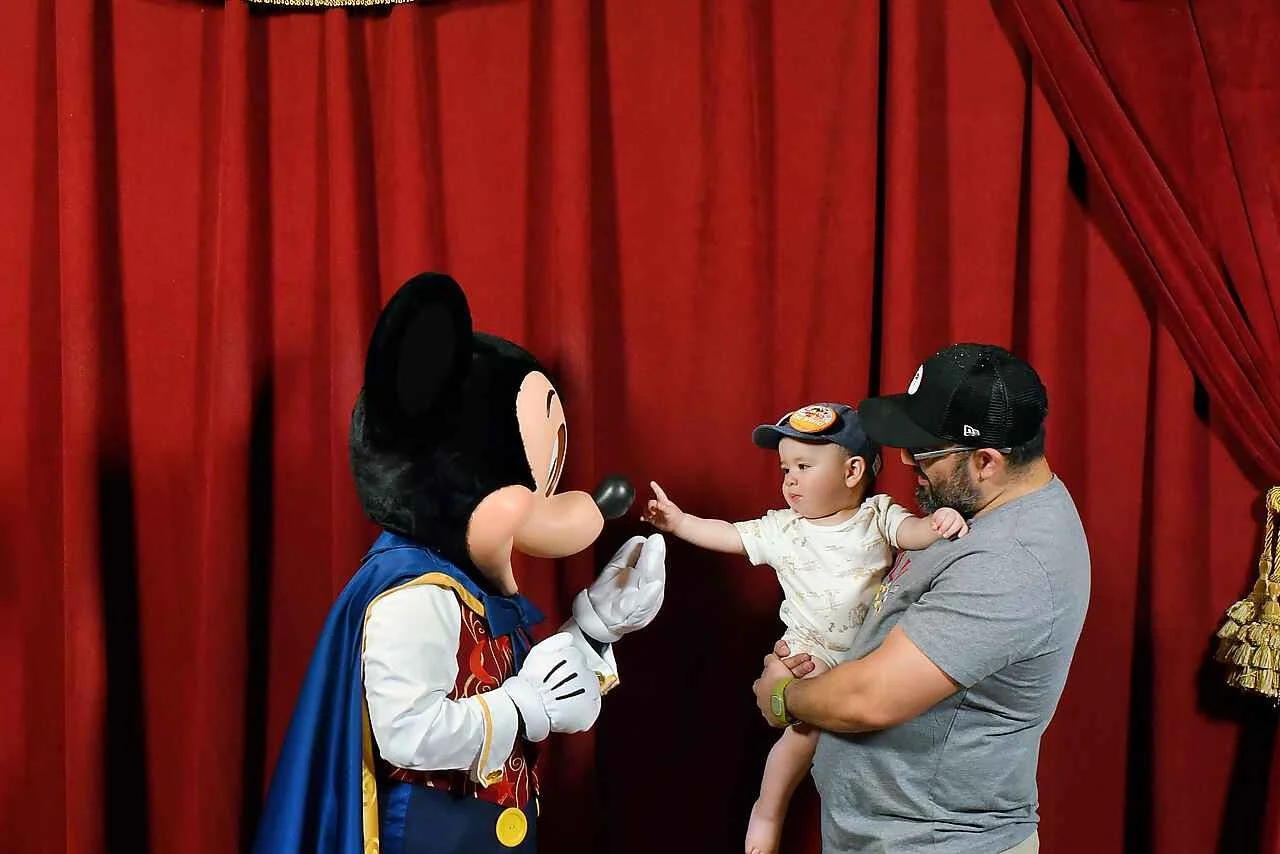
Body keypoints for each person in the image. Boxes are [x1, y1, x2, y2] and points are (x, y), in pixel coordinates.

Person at [751, 343, 1090, 854]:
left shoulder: (1013, 558)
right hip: (890, 837)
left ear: (986, 461)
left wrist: (782, 695)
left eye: (925, 452)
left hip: (935, 843)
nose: (905, 459)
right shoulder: (977, 508)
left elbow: (870, 699)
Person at [643, 402, 966, 854]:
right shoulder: (784, 529)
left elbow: (912, 533)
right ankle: (767, 811)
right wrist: (679, 523)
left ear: (852, 471)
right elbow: (730, 535)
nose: (789, 480)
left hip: (870, 655)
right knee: (801, 735)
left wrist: (938, 523)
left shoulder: (877, 516)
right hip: (808, 651)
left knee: (875, 729)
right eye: (785, 469)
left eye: (803, 467)